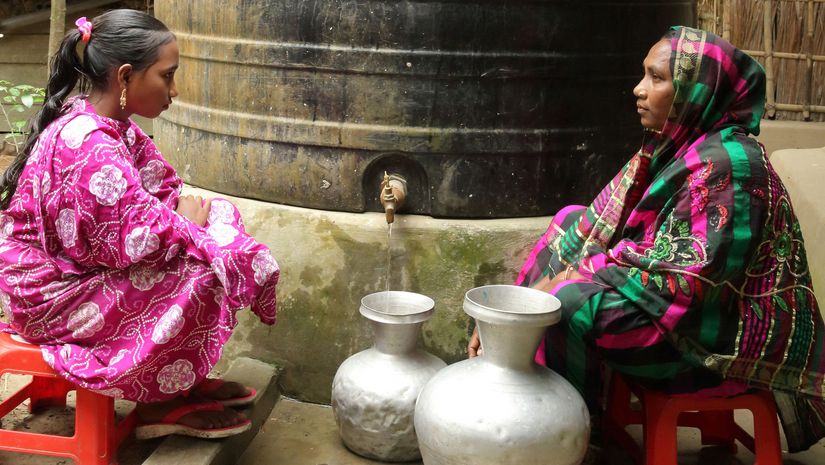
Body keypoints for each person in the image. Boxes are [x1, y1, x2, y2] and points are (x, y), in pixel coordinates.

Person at [468, 26, 825, 453]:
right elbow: (605, 230)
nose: (639, 89)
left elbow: (686, 279)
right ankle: (523, 379)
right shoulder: (679, 148)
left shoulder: (731, 166)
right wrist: (512, 312)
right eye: (644, 75)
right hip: (674, 315)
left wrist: (559, 285)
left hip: (707, 345)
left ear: (697, 91)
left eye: (656, 78)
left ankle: (568, 427)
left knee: (569, 303)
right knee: (571, 222)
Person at [0, 10, 280, 439]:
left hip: (78, 271)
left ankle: (178, 376)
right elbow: (127, 242)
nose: (175, 90)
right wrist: (182, 224)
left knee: (217, 218)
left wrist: (182, 221)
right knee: (201, 272)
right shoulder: (89, 144)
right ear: (126, 77)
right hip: (46, 295)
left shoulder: (112, 126)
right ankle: (159, 401)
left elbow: (164, 194)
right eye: (167, 77)